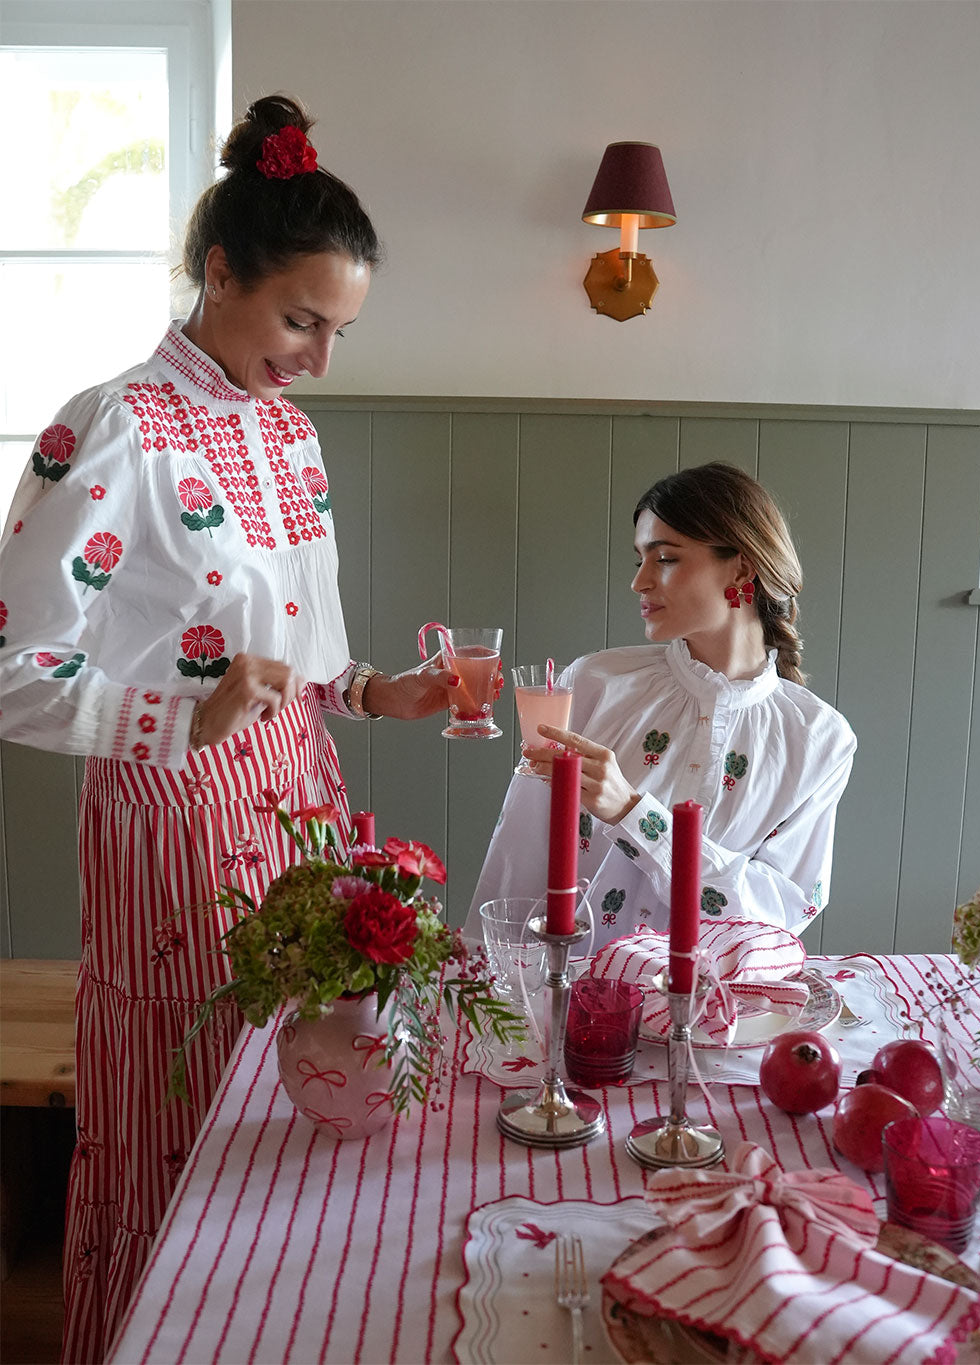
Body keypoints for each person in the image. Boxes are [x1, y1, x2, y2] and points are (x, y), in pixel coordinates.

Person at [0, 95, 452, 1364]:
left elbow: (295, 663)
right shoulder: (117, 428)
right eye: (300, 318)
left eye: (339, 330)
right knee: (181, 1120)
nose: (316, 356)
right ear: (218, 272)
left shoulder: (290, 438)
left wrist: (377, 692)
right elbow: (7, 665)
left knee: (290, 1105)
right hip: (174, 826)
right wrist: (175, 717)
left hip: (297, 801)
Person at [467, 462, 857, 953]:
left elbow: (776, 917)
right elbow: (519, 861)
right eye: (640, 560)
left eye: (666, 558)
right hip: (572, 999)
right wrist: (490, 991)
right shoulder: (591, 684)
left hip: (716, 1011)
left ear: (741, 566)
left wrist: (633, 814)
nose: (640, 582)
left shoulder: (819, 738)